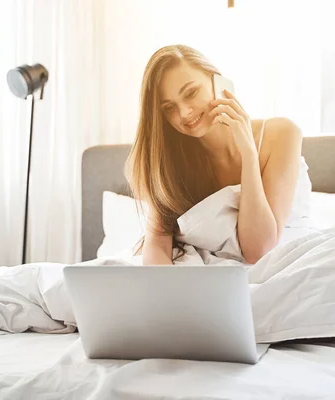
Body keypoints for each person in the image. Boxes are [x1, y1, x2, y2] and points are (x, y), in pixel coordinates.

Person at [124, 44, 303, 266]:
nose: (185, 113)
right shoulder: (171, 160)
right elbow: (157, 244)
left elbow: (257, 250)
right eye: (169, 108)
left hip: (280, 265)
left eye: (190, 93)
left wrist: (248, 154)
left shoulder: (282, 134)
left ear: (218, 82)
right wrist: (169, 296)